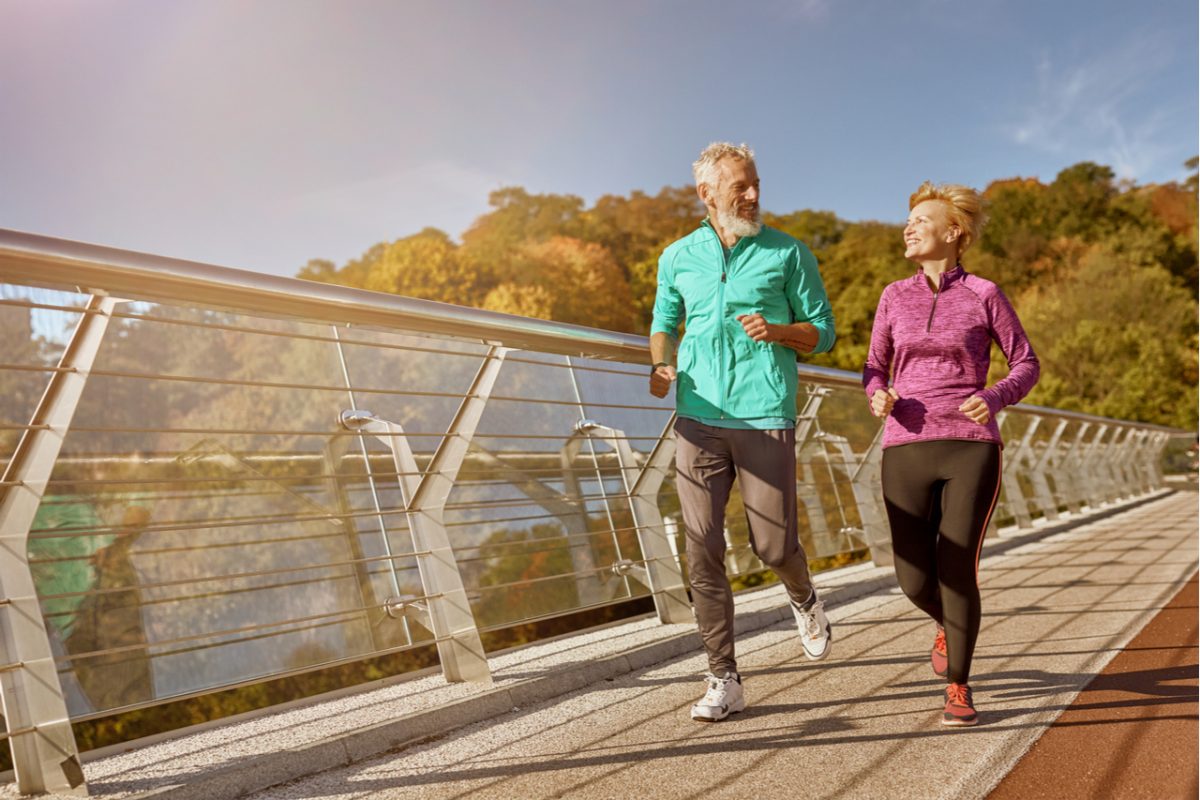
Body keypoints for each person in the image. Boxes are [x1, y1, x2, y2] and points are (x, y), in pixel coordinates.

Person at [649, 142, 836, 722]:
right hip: (698, 419)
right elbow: (663, 322)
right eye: (740, 187)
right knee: (702, 547)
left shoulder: (787, 252)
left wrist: (780, 332)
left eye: (755, 183)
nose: (753, 194)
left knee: (774, 546)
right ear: (707, 194)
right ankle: (722, 677)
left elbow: (824, 331)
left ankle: (804, 598)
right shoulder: (678, 256)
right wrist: (660, 363)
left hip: (765, 412)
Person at [862, 181, 1040, 726]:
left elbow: (1026, 364)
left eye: (920, 220)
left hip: (970, 448)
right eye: (907, 220)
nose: (908, 227)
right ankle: (948, 622)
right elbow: (873, 365)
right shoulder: (894, 295)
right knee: (913, 576)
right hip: (905, 445)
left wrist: (992, 397)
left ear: (953, 232)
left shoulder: (984, 293)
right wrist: (877, 393)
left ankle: (959, 685)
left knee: (957, 569)